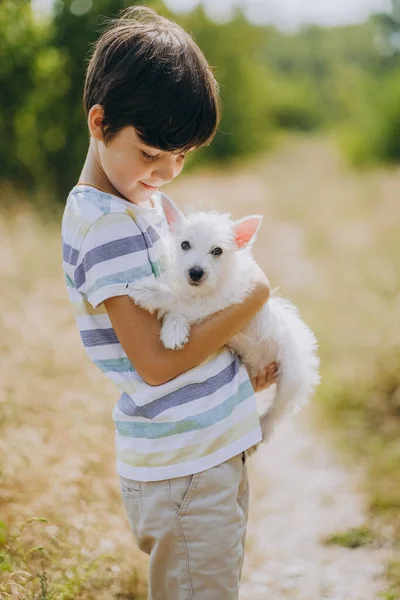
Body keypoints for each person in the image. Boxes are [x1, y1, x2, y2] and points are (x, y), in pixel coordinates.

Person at [61, 6, 277, 599]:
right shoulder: (105, 225)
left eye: (181, 156)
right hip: (183, 467)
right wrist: (254, 295)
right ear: (99, 122)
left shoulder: (138, 204)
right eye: (152, 152)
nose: (165, 172)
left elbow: (186, 314)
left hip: (206, 452)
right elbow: (154, 364)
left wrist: (235, 366)